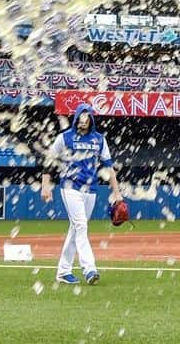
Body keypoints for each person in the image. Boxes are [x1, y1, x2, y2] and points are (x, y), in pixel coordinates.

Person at [41, 103, 122, 285]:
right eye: (81, 116)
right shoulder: (65, 137)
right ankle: (89, 269)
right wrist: (45, 186)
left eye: (87, 117)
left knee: (76, 228)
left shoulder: (99, 139)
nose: (84, 120)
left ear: (91, 119)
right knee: (81, 226)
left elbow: (109, 167)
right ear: (76, 117)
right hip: (70, 188)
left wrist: (117, 193)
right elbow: (49, 160)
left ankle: (63, 272)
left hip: (90, 190)